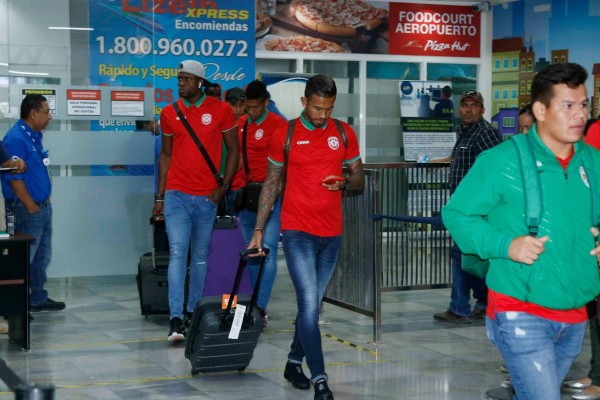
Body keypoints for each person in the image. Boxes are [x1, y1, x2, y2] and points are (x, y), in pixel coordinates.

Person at [443, 62, 600, 400]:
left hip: (575, 312)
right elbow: (456, 213)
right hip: (519, 309)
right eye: (568, 106)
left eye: (584, 105)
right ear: (541, 110)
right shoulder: (502, 161)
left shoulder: (592, 161)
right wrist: (504, 244)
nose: (579, 115)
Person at [247, 74, 365, 400]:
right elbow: (271, 184)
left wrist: (343, 183)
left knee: (310, 307)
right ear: (304, 102)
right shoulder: (284, 134)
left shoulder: (343, 133)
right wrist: (258, 229)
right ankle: (322, 381)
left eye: (328, 109)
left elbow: (359, 180)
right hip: (297, 231)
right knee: (309, 307)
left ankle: (293, 361)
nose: (322, 115)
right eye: (317, 108)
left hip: (332, 235)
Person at [153, 60, 239, 342]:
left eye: (186, 79)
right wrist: (160, 196)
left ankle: (193, 311)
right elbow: (165, 155)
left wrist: (222, 188)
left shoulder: (222, 110)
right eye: (179, 79)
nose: (180, 84)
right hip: (177, 194)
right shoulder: (169, 113)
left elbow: (233, 151)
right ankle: (175, 318)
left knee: (200, 257)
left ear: (200, 83)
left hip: (206, 196)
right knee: (178, 253)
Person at [432, 89, 501, 323]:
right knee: (473, 256)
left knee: (461, 254)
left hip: (477, 210)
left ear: (482, 109)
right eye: (465, 105)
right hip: (464, 208)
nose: (468, 109)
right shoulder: (466, 132)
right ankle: (484, 301)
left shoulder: (486, 133)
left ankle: (460, 306)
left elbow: (493, 169)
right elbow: (464, 160)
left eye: (474, 105)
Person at [1, 94, 65, 313]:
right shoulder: (16, 138)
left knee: (41, 257)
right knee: (23, 259)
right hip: (27, 209)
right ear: (33, 113)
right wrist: (29, 205)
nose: (50, 116)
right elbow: (13, 177)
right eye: (47, 111)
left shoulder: (33, 136)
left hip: (41, 207)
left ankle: (37, 298)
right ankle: (16, 308)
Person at [237, 80, 287, 327]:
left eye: (256, 107)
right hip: (247, 197)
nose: (251, 111)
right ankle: (255, 301)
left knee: (266, 251)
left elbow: (285, 164)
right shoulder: (242, 124)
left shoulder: (279, 125)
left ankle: (260, 307)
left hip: (271, 198)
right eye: (248, 107)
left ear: (266, 103)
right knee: (252, 253)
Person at [135, 119, 161, 192]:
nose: (158, 125)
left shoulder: (128, 143)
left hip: (133, 191)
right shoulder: (156, 142)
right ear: (146, 126)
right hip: (152, 191)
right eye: (155, 122)